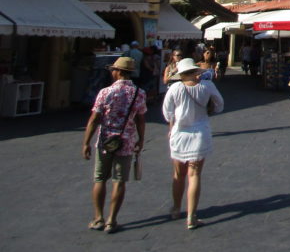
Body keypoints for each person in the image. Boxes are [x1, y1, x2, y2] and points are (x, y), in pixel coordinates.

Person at [81, 56, 147, 234]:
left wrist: (86, 142)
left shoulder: (106, 92)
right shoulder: (139, 93)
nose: (112, 72)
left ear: (118, 72)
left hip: (105, 140)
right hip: (126, 141)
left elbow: (94, 119)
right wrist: (141, 139)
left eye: (113, 70)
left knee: (100, 179)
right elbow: (140, 119)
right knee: (119, 181)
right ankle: (112, 220)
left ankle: (98, 218)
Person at [162, 58, 224, 229]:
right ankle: (191, 216)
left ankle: (176, 208)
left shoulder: (175, 88)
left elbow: (167, 113)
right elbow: (220, 105)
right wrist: (209, 109)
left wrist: (174, 120)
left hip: (180, 134)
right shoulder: (207, 86)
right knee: (194, 175)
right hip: (200, 133)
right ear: (195, 71)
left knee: (178, 175)